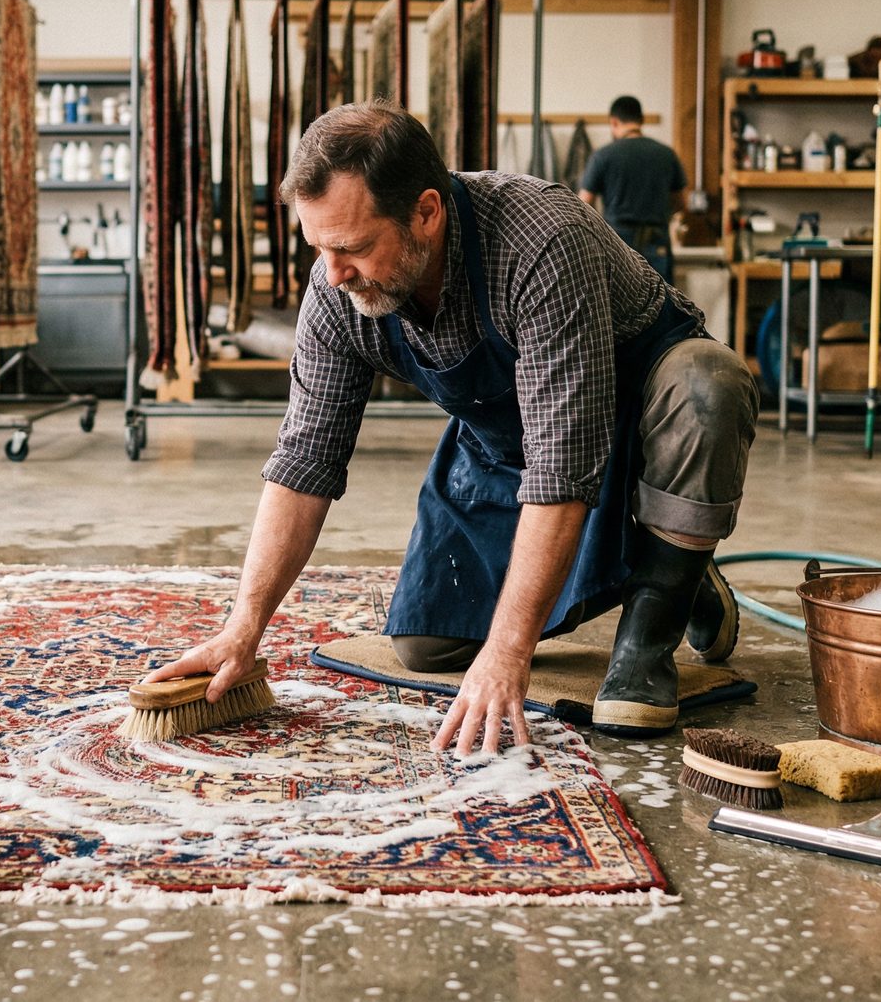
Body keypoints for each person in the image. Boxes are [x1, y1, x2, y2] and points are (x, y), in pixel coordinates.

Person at [144, 102, 758, 756]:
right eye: (318, 247)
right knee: (427, 644)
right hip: (510, 441)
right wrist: (244, 627)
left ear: (427, 213)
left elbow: (563, 467)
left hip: (641, 412)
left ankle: (660, 604)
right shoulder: (337, 292)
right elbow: (304, 460)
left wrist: (508, 650)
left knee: (709, 384)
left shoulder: (539, 239)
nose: (331, 273)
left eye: (351, 246)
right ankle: (668, 557)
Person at [577, 96, 686, 283]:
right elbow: (681, 202)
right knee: (661, 304)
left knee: (620, 307)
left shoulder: (603, 156)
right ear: (641, 121)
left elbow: (582, 205)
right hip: (657, 239)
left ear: (614, 122)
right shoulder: (666, 154)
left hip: (617, 242)